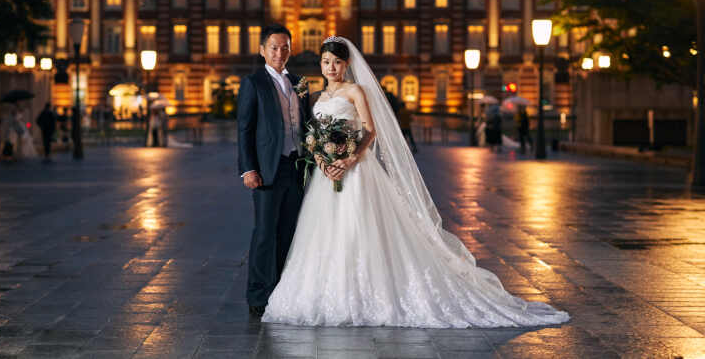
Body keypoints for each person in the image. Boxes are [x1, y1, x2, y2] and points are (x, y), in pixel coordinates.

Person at [262, 36, 569, 327]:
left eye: (337, 63)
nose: (331, 68)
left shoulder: (356, 92)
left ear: (347, 65)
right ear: (321, 64)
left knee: (360, 228)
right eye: (326, 62)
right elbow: (312, 136)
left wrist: (350, 159)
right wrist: (321, 159)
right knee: (324, 233)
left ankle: (368, 293)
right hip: (326, 177)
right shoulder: (315, 96)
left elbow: (370, 130)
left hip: (356, 171)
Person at [237, 24, 311, 318]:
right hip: (267, 170)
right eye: (274, 47)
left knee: (288, 233)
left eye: (285, 47)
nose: (280, 53)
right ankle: (258, 294)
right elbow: (244, 129)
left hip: (295, 167)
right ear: (262, 50)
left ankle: (280, 291)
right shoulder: (253, 83)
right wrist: (248, 169)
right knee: (265, 233)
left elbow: (305, 125)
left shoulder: (300, 82)